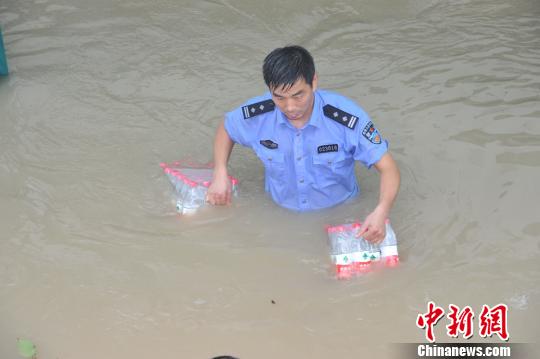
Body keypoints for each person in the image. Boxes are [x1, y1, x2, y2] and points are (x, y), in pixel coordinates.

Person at [206, 45, 400, 243]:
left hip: (340, 214)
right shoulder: (260, 115)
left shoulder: (346, 120)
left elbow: (388, 168)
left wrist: (380, 211)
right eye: (279, 97)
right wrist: (220, 171)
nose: (290, 107)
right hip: (279, 212)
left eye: (298, 95)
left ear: (314, 82)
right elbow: (227, 127)